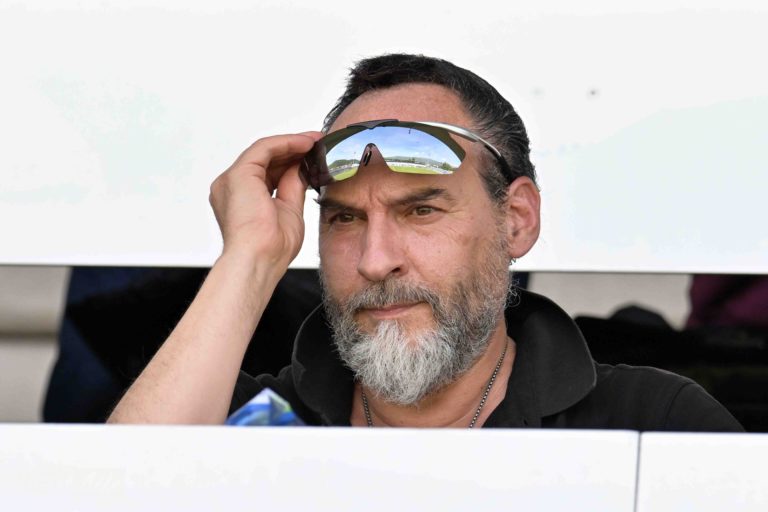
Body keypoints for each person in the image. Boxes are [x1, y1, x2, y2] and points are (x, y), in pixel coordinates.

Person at [108, 54, 742, 431]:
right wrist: (248, 257)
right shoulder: (249, 417)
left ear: (517, 220)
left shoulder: (652, 421)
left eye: (421, 210)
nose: (375, 260)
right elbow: (118, 492)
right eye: (344, 219)